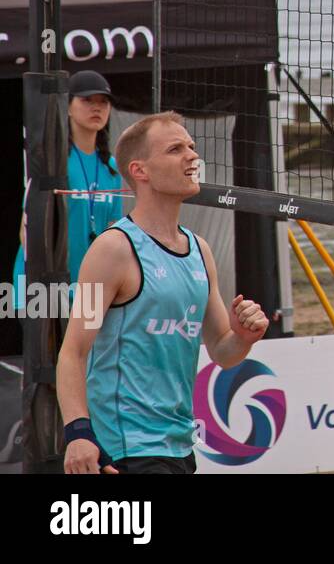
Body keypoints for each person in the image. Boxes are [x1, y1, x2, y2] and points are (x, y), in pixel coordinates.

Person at [56, 111, 269, 474]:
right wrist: (78, 433)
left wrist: (245, 337)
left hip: (179, 444)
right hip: (125, 448)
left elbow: (223, 351)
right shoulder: (112, 250)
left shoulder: (199, 250)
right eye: (175, 149)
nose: (192, 156)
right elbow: (72, 352)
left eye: (191, 146)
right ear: (140, 171)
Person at [14, 70, 125, 312]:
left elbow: (113, 230)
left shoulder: (112, 168)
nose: (97, 107)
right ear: (67, 106)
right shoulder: (52, 161)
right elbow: (27, 229)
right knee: (51, 351)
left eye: (103, 102)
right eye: (87, 100)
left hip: (89, 287)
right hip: (44, 285)